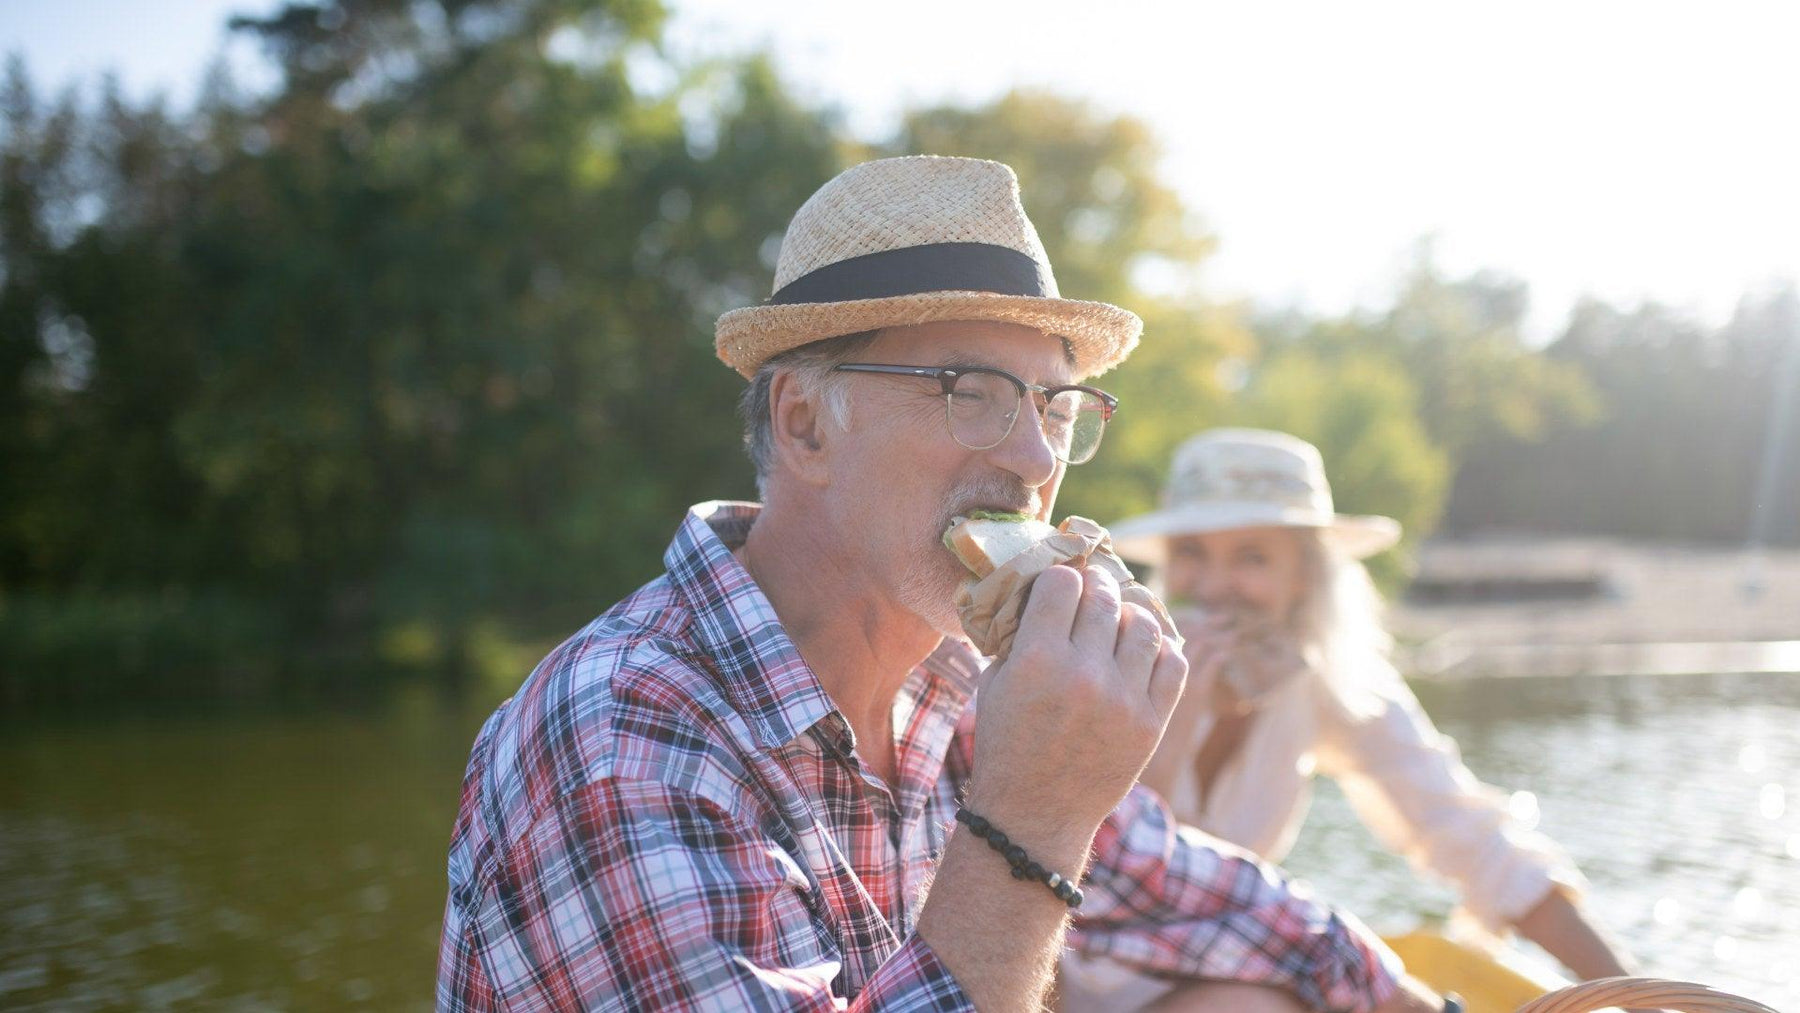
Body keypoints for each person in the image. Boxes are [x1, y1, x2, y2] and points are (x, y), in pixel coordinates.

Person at [436, 157, 1447, 1012]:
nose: (1029, 458)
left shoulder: (960, 676)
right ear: (803, 424)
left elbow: (1183, 886)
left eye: (1053, 405)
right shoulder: (623, 737)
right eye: (968, 391)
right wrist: (1031, 818)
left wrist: (1420, 1002)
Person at [1059, 428, 1638, 1009]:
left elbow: (1473, 839)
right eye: (1192, 554)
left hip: (1220, 980)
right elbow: (1105, 867)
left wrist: (1639, 995)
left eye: (1252, 557)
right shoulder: (1106, 663)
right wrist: (1174, 715)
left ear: (1304, 576)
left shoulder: (1327, 683)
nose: (1212, 588)